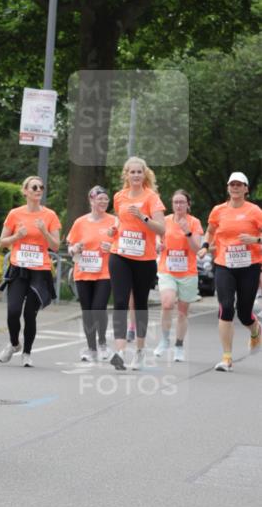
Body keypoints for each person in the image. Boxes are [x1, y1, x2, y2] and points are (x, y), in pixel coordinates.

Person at [199, 171, 262, 372]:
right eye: (232, 184)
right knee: (226, 307)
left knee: (244, 313)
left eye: (239, 184)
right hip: (224, 264)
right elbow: (210, 230)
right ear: (228, 188)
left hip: (249, 266)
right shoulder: (218, 210)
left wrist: (255, 240)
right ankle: (227, 358)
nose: (235, 187)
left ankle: (255, 331)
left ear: (246, 189)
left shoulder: (255, 211)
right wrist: (205, 245)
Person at [107, 157, 165, 371]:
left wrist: (143, 217)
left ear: (145, 174)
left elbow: (162, 229)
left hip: (144, 258)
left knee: (140, 304)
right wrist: (114, 229)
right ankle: (120, 351)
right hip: (120, 254)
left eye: (139, 172)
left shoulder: (152, 198)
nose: (136, 175)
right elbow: (119, 220)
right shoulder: (119, 197)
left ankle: (140, 351)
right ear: (126, 175)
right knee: (120, 301)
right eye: (132, 172)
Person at [0, 176, 61, 367]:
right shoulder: (15, 214)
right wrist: (17, 236)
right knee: (13, 310)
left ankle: (27, 353)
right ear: (25, 191)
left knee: (29, 314)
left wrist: (44, 231)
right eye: (34, 187)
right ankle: (14, 343)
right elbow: (2, 241)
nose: (38, 190)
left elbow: (55, 246)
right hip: (19, 268)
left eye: (41, 187)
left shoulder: (50, 216)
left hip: (40, 271)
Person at [66, 185, 115, 363]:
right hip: (83, 270)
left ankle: (102, 343)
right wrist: (74, 248)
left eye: (106, 199)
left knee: (98, 307)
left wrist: (113, 247)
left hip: (105, 272)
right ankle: (91, 348)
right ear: (91, 200)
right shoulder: (80, 222)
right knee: (87, 310)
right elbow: (71, 247)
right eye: (100, 199)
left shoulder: (114, 221)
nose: (103, 202)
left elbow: (122, 245)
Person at [153, 190, 203, 362]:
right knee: (167, 303)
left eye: (182, 202)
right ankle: (165, 340)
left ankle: (179, 345)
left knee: (182, 313)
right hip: (167, 270)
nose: (179, 205)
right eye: (176, 202)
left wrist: (187, 232)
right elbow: (156, 239)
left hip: (188, 272)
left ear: (188, 204)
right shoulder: (164, 221)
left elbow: (197, 249)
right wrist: (158, 245)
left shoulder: (194, 222)